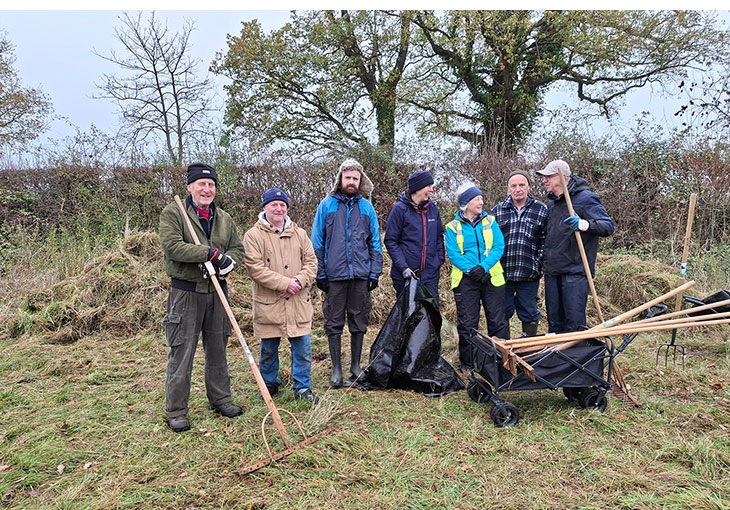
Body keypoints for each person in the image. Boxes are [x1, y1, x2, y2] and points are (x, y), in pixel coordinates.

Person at [159, 162, 244, 433]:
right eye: (201, 184)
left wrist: (229, 261)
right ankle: (176, 410)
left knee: (218, 348)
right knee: (182, 351)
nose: (207, 189)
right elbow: (173, 247)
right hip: (186, 293)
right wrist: (208, 254)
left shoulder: (224, 218)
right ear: (190, 187)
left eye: (211, 185)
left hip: (217, 292)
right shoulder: (174, 213)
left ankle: (221, 399)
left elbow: (237, 248)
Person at [310, 158, 383, 388]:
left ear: (360, 181)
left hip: (361, 274)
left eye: (355, 178)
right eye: (347, 177)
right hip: (334, 275)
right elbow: (317, 242)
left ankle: (355, 366)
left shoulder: (367, 208)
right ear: (340, 179)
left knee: (359, 320)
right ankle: (336, 369)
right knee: (333, 321)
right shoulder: (327, 205)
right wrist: (320, 273)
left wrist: (374, 272)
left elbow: (375, 242)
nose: (351, 182)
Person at [243, 188, 319, 404]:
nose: (278, 208)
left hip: (298, 302)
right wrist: (285, 283)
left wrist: (298, 282)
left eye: (282, 205)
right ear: (265, 207)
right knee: (268, 348)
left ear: (287, 208)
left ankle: (302, 387)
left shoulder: (300, 233)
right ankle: (269, 383)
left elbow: (312, 262)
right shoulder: (253, 235)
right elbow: (255, 268)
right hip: (270, 303)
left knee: (302, 347)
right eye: (274, 204)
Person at [537, 160, 614, 334]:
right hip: (553, 271)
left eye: (548, 177)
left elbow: (607, 226)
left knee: (574, 323)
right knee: (554, 323)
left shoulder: (585, 198)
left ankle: (576, 358)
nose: (544, 181)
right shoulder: (552, 205)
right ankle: (557, 359)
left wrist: (584, 224)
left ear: (563, 177)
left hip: (575, 272)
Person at [445, 183, 510, 371]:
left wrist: (483, 267)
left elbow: (498, 246)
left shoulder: (490, 221)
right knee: (467, 323)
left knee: (498, 322)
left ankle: (502, 362)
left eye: (481, 198)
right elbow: (454, 254)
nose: (481, 202)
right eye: (477, 199)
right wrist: (472, 271)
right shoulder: (452, 227)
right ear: (466, 203)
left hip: (491, 278)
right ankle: (468, 364)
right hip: (466, 282)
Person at [490, 169, 548, 337]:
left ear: (529, 186)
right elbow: (490, 241)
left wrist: (538, 262)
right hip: (503, 274)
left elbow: (545, 240)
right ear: (508, 188)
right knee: (502, 313)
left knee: (529, 313)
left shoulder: (540, 209)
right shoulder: (498, 211)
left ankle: (528, 353)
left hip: (529, 273)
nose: (518, 189)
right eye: (513, 186)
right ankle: (504, 353)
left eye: (522, 185)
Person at [384, 170, 445, 306]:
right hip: (405, 277)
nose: (431, 190)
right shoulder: (399, 210)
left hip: (430, 276)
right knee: (408, 318)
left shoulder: (433, 209)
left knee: (431, 315)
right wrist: (403, 267)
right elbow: (391, 241)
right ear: (418, 188)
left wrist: (439, 260)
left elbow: (439, 236)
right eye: (428, 186)